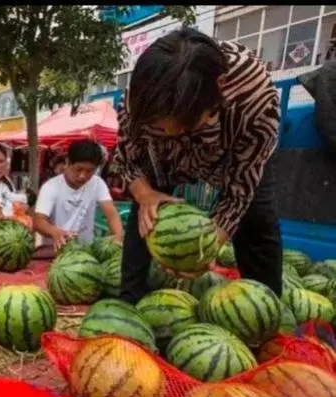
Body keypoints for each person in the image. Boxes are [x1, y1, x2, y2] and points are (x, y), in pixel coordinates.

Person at [110, 27, 282, 303]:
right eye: (160, 127)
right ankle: (130, 301)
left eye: (180, 125)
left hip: (233, 156)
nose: (171, 132)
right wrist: (145, 195)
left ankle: (268, 311)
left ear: (220, 86)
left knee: (257, 218)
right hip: (161, 158)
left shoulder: (255, 95)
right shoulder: (139, 100)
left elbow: (241, 188)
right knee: (147, 215)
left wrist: (207, 246)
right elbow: (127, 159)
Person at [34, 139, 124, 251]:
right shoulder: (50, 187)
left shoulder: (97, 183)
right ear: (67, 162)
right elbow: (38, 221)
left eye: (89, 171)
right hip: (54, 252)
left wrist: (118, 237)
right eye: (78, 169)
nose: (83, 176)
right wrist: (54, 231)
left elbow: (111, 213)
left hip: (86, 251)